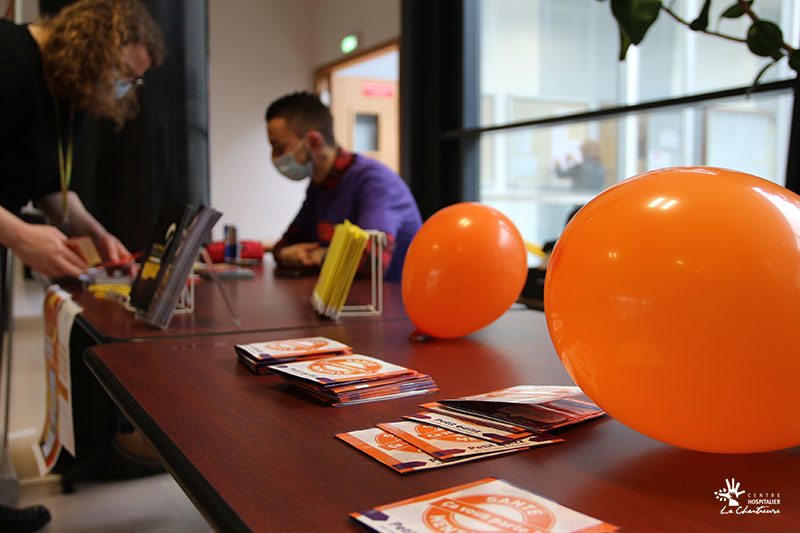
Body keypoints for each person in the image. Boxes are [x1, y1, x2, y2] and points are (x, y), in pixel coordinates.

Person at [0, 1, 164, 531]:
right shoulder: (9, 59)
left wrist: (93, 229)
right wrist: (19, 234)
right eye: (124, 74)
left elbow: (51, 187)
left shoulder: (60, 92)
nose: (124, 88)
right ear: (95, 47)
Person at [266, 91, 422, 282]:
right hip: (346, 303)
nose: (274, 157)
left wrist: (320, 255)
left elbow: (371, 260)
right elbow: (287, 243)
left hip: (391, 306)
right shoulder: (319, 186)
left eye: (279, 147)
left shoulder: (375, 181)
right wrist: (284, 255)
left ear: (314, 141)